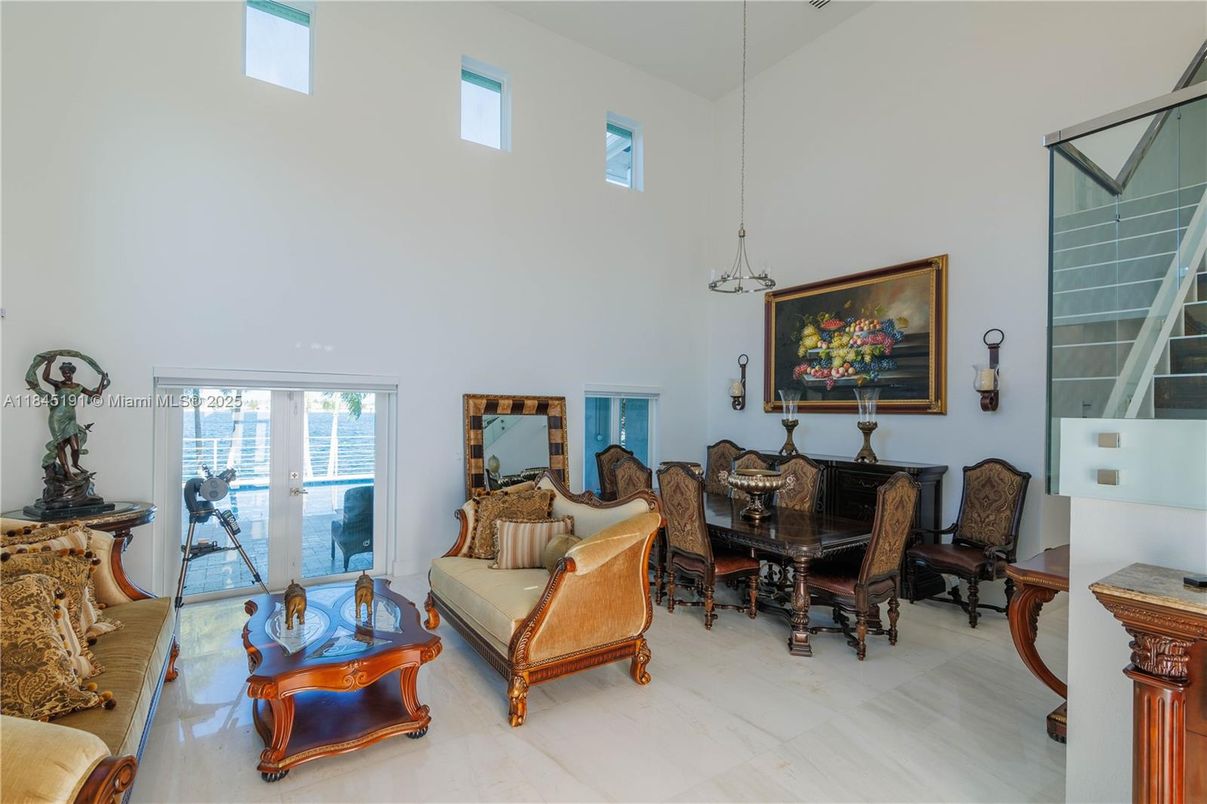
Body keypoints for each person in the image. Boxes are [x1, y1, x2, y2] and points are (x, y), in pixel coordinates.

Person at [35, 357, 110, 478]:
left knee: (75, 447)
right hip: (57, 418)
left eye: (68, 372)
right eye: (64, 373)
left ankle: (75, 464)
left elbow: (96, 395)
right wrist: (49, 363)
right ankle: (67, 472)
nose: (66, 375)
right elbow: (45, 378)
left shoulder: (78, 387)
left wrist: (102, 380)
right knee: (60, 445)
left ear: (72, 373)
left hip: (70, 419)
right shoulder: (59, 384)